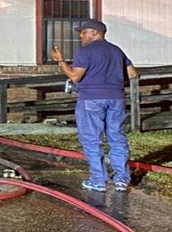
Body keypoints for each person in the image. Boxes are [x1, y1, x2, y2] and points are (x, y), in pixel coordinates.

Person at [50, 19, 138, 193]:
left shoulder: (86, 51)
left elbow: (75, 76)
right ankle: (121, 179)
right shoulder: (116, 50)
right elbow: (133, 73)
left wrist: (60, 61)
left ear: (96, 32)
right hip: (116, 98)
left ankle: (98, 180)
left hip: (91, 99)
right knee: (117, 137)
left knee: (91, 139)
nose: (81, 36)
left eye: (84, 32)